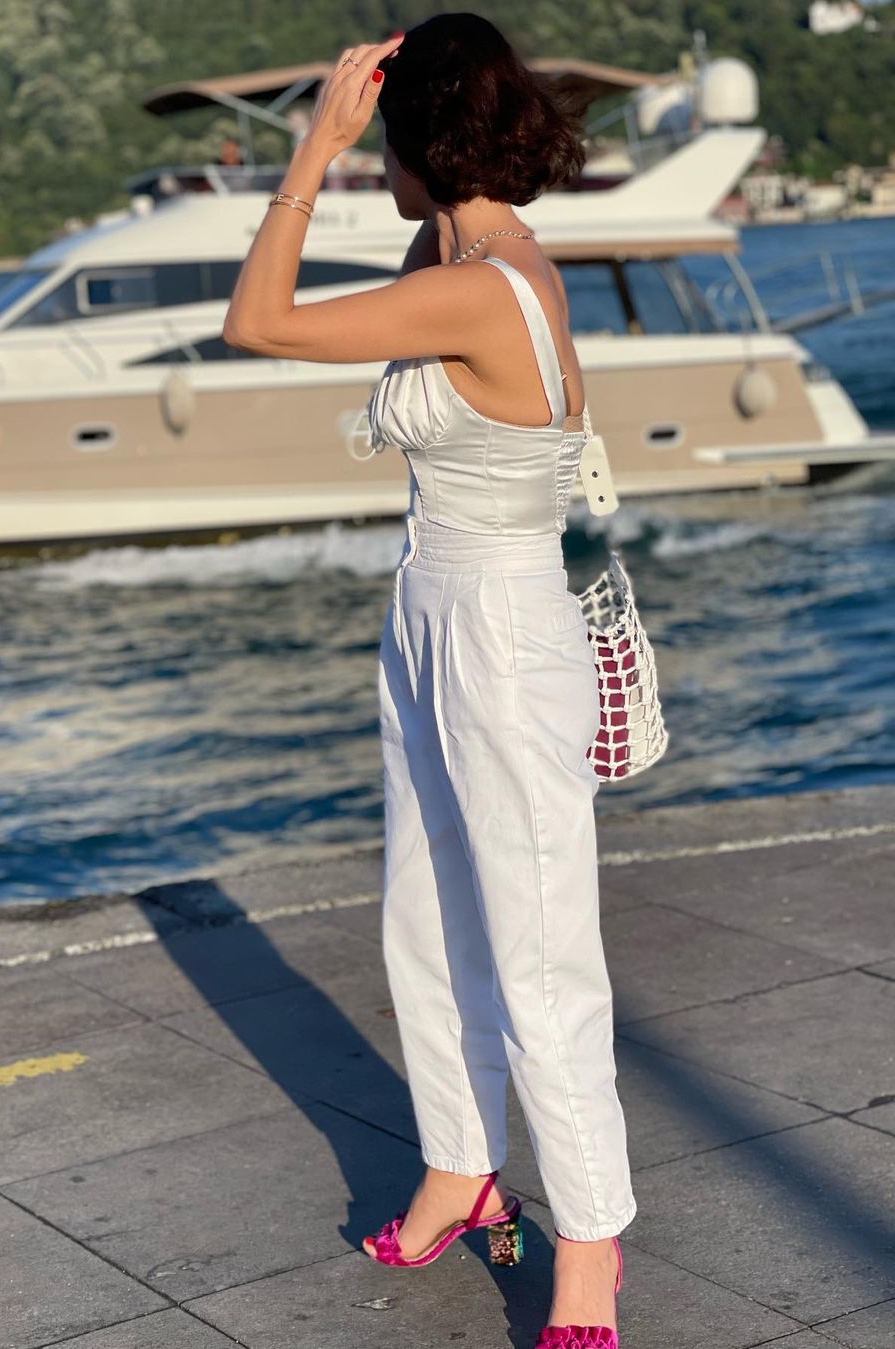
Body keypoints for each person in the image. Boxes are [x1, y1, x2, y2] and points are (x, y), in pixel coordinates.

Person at [223, 15, 634, 1347]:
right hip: (431, 609)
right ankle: (462, 1167)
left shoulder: (484, 285)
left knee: (538, 946)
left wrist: (312, 151)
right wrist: (400, 118)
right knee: (425, 912)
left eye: (384, 142)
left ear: (415, 148)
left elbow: (258, 322)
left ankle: (590, 1248)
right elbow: (407, 258)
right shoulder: (454, 256)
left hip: (501, 629)